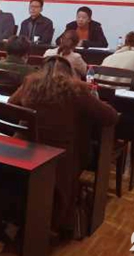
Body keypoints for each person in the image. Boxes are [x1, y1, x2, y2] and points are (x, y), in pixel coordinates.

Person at [9, 56, 118, 233]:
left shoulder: (30, 83)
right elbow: (110, 117)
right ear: (70, 73)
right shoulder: (77, 89)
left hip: (26, 150)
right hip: (62, 156)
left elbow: (11, 104)